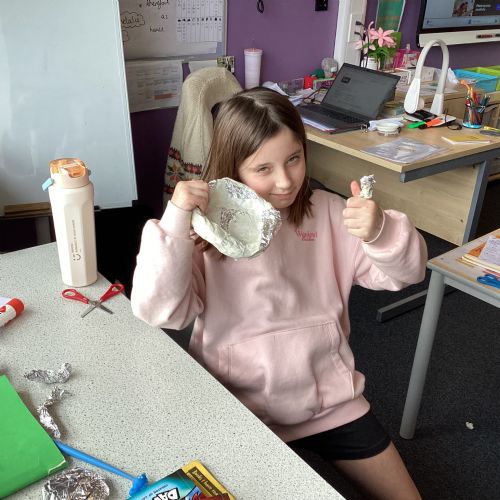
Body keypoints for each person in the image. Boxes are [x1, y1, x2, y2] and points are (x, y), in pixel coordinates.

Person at [131, 88, 426, 499]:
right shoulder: (204, 232)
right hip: (239, 408)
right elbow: (159, 311)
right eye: (263, 168)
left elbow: (407, 273)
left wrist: (381, 231)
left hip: (331, 404)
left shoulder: (327, 212)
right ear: (233, 169)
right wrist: (176, 221)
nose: (285, 181)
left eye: (293, 159)